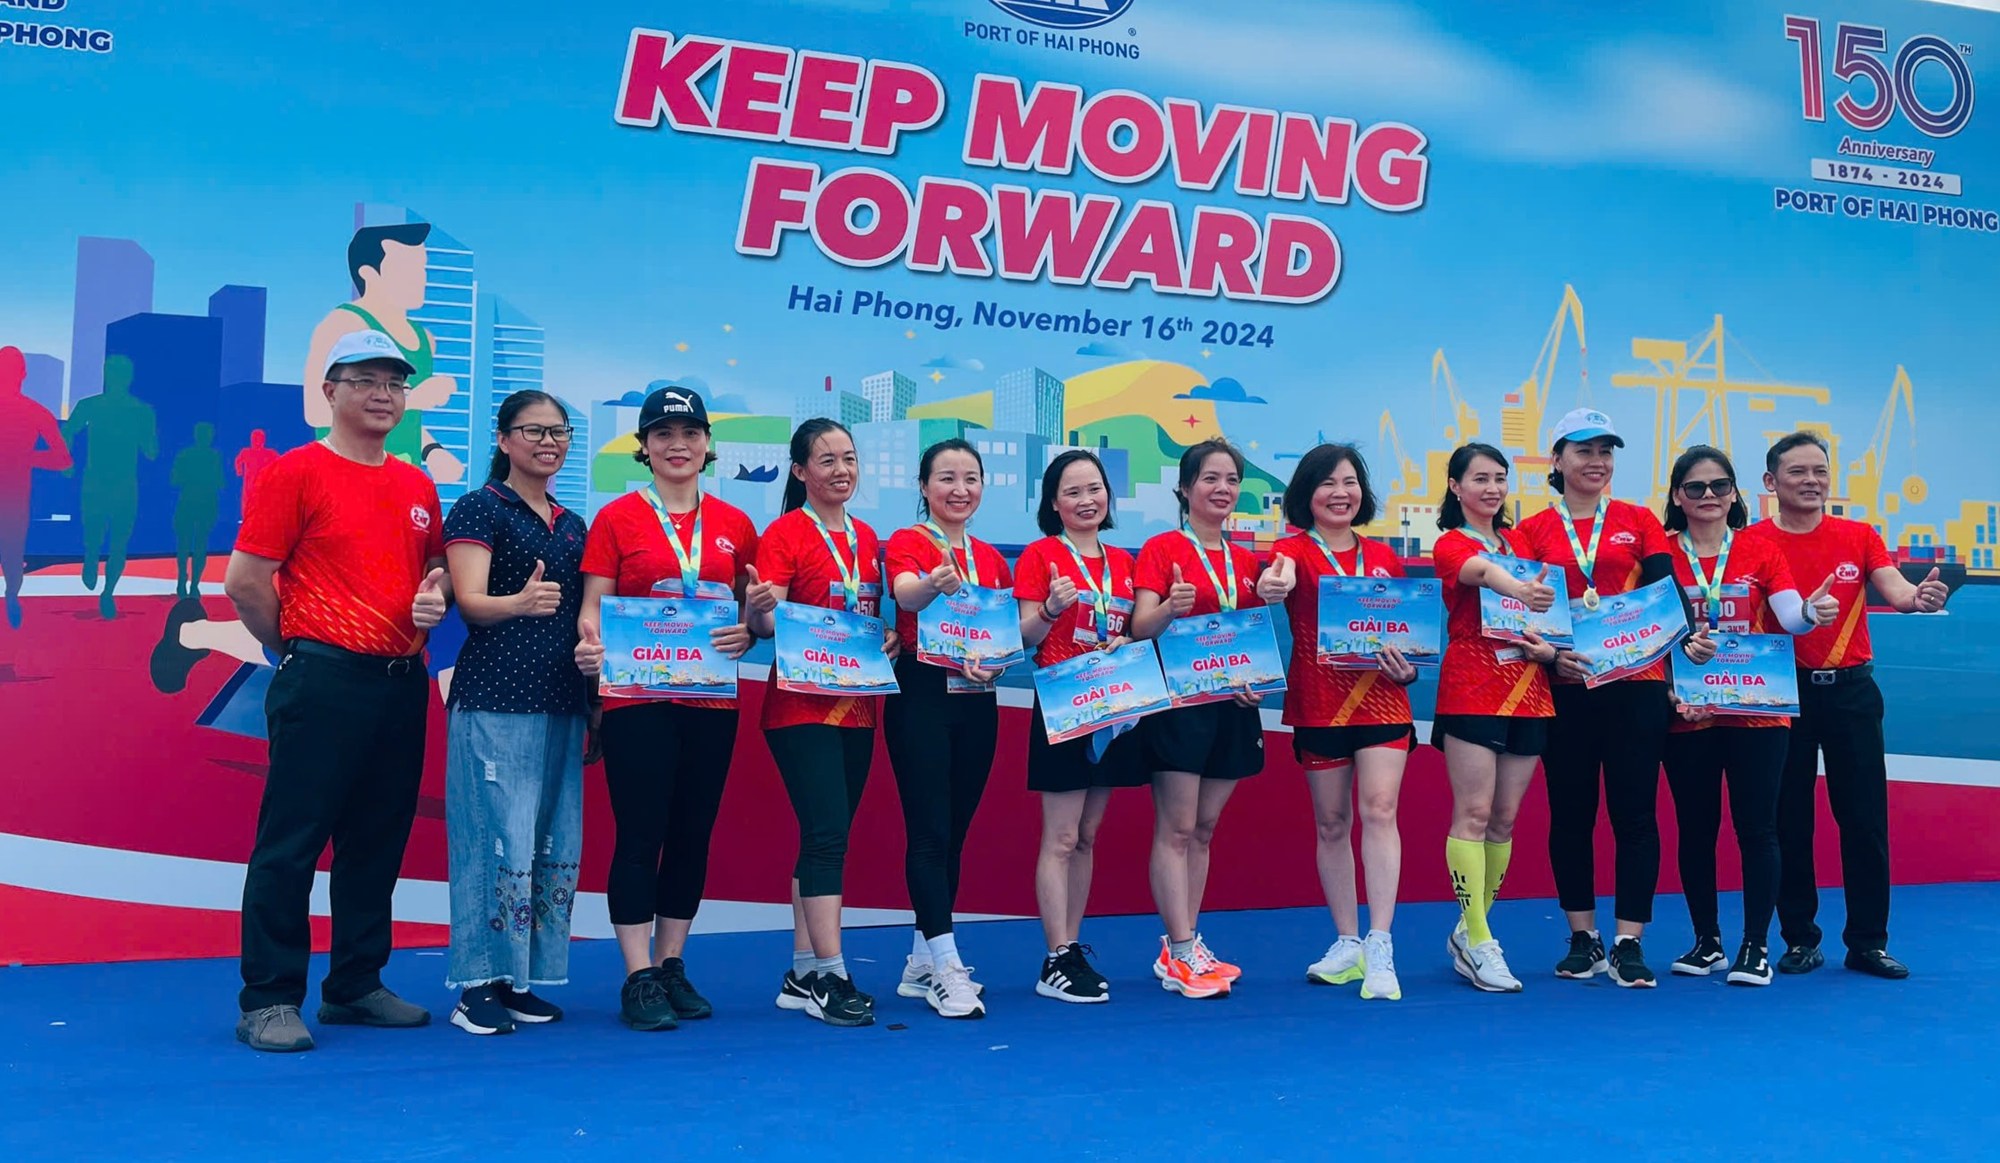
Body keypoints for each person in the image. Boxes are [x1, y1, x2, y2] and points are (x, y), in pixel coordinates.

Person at [225, 329, 450, 1053]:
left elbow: (435, 571)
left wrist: (437, 592)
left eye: (395, 383)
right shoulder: (296, 472)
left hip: (400, 683)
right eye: (366, 381)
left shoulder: (416, 485)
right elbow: (245, 581)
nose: (384, 395)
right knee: (292, 843)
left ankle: (355, 984)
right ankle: (268, 998)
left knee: (377, 841)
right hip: (322, 680)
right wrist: (300, 647)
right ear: (330, 391)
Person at [575, 384, 760, 1030]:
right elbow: (592, 607)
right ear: (645, 447)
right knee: (639, 834)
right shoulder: (617, 518)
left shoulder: (735, 525)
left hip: (710, 703)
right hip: (637, 700)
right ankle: (637, 974)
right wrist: (588, 645)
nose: (677, 445)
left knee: (691, 834)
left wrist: (750, 630)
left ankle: (671, 962)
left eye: (689, 434)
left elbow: (750, 614)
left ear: (707, 444)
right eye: (663, 434)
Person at [1515, 409, 1709, 988]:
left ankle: (1628, 941)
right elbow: (1520, 611)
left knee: (1635, 814)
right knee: (1571, 815)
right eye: (1584, 451)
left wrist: (1686, 661)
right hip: (1567, 687)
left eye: (1605, 451)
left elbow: (1667, 595)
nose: (1596, 461)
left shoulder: (1637, 519)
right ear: (1557, 460)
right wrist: (1551, 656)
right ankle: (1583, 938)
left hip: (1637, 688)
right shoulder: (1532, 530)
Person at [1749, 431, 1948, 980]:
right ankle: (1799, 938)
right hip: (1782, 694)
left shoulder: (1858, 535)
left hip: (1852, 694)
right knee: (1789, 820)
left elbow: (1895, 588)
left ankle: (1867, 942)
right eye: (1798, 472)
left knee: (1863, 820)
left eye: (1820, 471)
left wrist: (1916, 599)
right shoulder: (1753, 542)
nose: (1812, 481)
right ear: (1771, 482)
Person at [438, 391, 591, 1035]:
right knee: (491, 839)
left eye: (559, 432)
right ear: (503, 440)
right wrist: (519, 603)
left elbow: (585, 617)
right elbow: (470, 602)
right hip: (494, 700)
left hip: (561, 701)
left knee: (544, 842)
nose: (548, 442)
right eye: (533, 431)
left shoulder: (573, 523)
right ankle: (475, 984)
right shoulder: (480, 507)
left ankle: (515, 978)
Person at [1659, 445, 1835, 987]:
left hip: (1758, 713)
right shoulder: (1661, 554)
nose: (1708, 495)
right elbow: (1648, 634)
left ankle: (1755, 945)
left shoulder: (1760, 549)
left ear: (1734, 492)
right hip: (1688, 712)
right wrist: (1670, 690)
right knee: (1695, 830)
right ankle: (1707, 941)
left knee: (1758, 829)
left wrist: (1810, 612)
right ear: (1677, 496)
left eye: (1719, 485)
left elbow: (1789, 615)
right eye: (1695, 487)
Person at [745, 417, 897, 1028]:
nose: (841, 470)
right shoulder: (784, 534)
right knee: (828, 834)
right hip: (799, 708)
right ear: (800, 471)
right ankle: (831, 976)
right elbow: (766, 625)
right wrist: (760, 612)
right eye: (827, 460)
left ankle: (803, 970)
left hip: (858, 708)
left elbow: (863, 617)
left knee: (823, 837)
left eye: (849, 458)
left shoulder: (867, 536)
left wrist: (885, 640)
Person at [1130, 439, 1292, 999]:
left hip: (1233, 709)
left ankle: (1188, 941)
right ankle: (1178, 950)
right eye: (1209, 478)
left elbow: (1251, 641)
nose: (1222, 489)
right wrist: (1168, 608)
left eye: (1231, 480)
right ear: (1184, 488)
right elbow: (1139, 627)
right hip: (1179, 709)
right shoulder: (1162, 549)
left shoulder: (1246, 561)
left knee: (1203, 829)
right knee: (1176, 828)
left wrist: (1254, 680)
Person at [1270, 445, 1417, 1001]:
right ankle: (1347, 941)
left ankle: (1381, 943)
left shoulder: (1384, 557)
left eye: (1350, 482)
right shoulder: (1290, 552)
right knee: (1331, 824)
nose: (1340, 492)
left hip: (1383, 703)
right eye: (1327, 482)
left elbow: (1408, 635)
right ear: (1307, 493)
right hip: (1320, 705)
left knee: (1379, 811)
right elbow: (1277, 580)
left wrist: (1408, 669)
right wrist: (1274, 586)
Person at [884, 438, 1014, 1019]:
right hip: (922, 695)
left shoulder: (991, 558)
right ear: (924, 486)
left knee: (955, 833)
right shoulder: (909, 542)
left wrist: (996, 662)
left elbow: (1000, 635)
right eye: (946, 478)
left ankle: (920, 962)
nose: (960, 489)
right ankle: (946, 963)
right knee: (929, 832)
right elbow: (905, 596)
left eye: (970, 478)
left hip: (977, 698)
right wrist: (934, 582)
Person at [1013, 450, 1144, 1004]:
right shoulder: (1041, 555)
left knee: (1087, 836)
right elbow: (1021, 636)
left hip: (1112, 708)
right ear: (1054, 503)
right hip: (1062, 706)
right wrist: (1048, 608)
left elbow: (1134, 629)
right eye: (1073, 492)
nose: (1087, 500)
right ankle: (1055, 955)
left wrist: (1126, 641)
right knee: (1062, 838)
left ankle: (1072, 947)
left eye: (1095, 489)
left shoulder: (1124, 562)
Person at [1430, 443, 1558, 993]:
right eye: (1479, 478)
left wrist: (1550, 648)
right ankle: (1482, 940)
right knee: (1475, 813)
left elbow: (1552, 611)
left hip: (1530, 688)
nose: (1492, 488)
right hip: (1472, 688)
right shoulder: (1451, 542)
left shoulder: (1522, 541)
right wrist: (1518, 588)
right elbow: (1479, 572)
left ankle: (1469, 929)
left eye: (1499, 478)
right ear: (1456, 486)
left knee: (1504, 819)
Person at [302, 222, 462, 482]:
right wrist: (413, 399)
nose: (420, 278)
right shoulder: (343, 324)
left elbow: (407, 422)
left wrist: (432, 451)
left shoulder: (424, 339)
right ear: (368, 273)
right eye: (406, 269)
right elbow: (316, 411)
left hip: (400, 481)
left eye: (422, 267)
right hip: (345, 476)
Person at [63, 353, 156, 619]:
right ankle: (96, 568)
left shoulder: (132, 410)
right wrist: (67, 462)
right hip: (107, 482)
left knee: (113, 540)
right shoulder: (122, 408)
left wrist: (67, 462)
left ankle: (104, 585)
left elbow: (151, 451)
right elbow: (151, 451)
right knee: (108, 540)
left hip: (112, 483)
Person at [0, 345, 71, 629]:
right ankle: (11, 595)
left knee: (13, 554)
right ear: (23, 374)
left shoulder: (36, 412)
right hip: (16, 494)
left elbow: (64, 459)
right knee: (13, 554)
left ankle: (12, 595)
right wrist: (28, 457)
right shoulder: (36, 412)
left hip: (15, 495)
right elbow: (63, 459)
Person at [171, 423, 225, 599]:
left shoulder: (187, 455)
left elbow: (175, 479)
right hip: (200, 504)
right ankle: (191, 584)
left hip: (192, 503)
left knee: (187, 544)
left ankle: (187, 582)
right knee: (197, 544)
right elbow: (220, 482)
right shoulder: (213, 457)